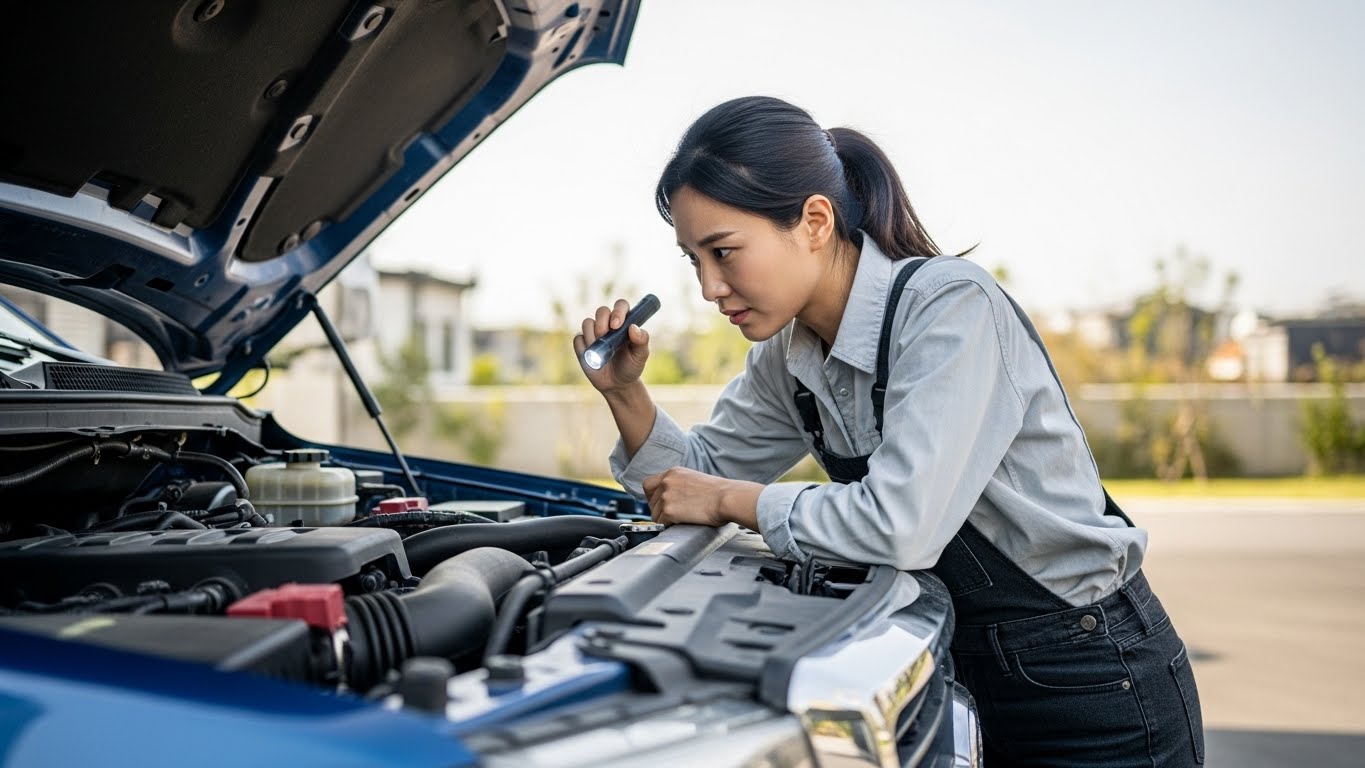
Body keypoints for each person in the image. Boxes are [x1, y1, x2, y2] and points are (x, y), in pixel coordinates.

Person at [573, 95, 1204, 767]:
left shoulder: (949, 308)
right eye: (691, 260)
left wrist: (733, 501)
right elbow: (685, 484)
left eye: (724, 252)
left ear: (814, 221)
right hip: (946, 666)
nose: (708, 286)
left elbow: (900, 523)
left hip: (1088, 680)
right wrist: (624, 393)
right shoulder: (786, 358)